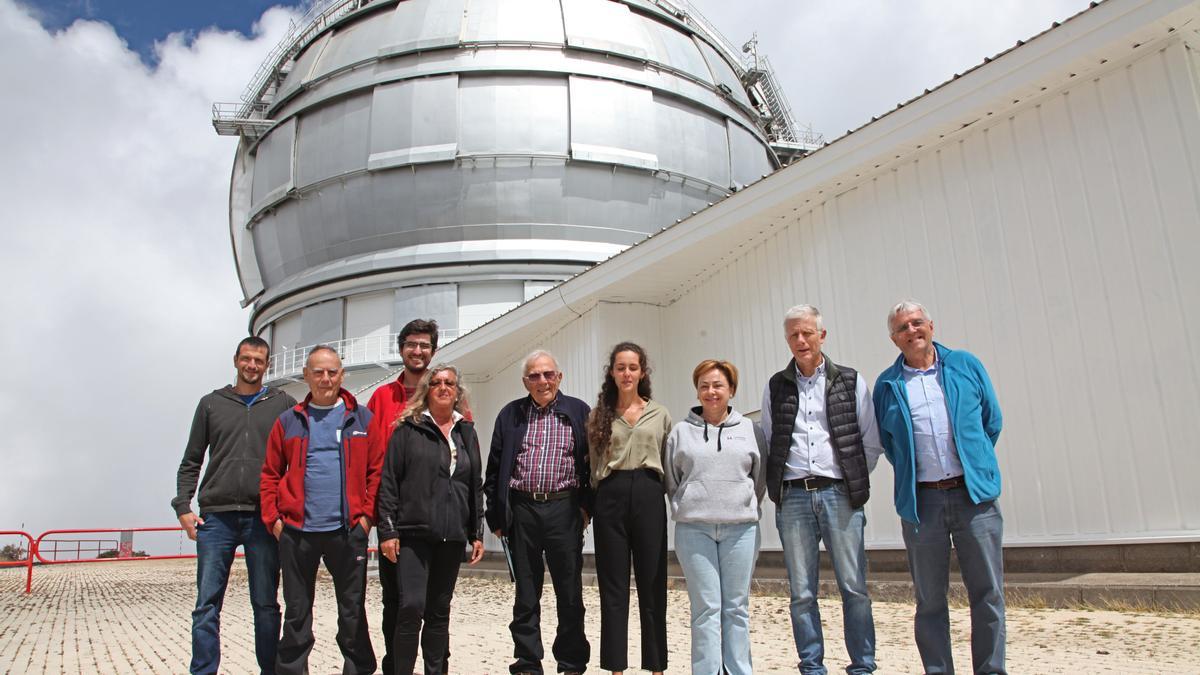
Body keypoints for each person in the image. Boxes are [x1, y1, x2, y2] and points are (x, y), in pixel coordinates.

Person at [873, 300, 1006, 675]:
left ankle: (991, 670)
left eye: (917, 323)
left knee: (988, 593)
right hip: (923, 503)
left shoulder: (965, 365)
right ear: (893, 339)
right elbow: (889, 443)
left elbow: (990, 421)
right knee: (930, 599)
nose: (912, 331)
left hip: (973, 497)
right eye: (903, 328)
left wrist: (974, 463)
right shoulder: (887, 384)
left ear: (931, 325)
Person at [760, 304, 883, 675]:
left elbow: (870, 442)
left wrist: (849, 480)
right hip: (794, 497)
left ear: (821, 336)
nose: (801, 340)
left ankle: (862, 665)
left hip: (839, 495)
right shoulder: (776, 386)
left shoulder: (850, 380)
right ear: (787, 339)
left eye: (807, 333)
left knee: (854, 587)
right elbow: (769, 441)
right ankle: (812, 666)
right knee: (801, 592)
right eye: (794, 334)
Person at [173, 336, 297, 675]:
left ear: (267, 365)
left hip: (263, 517)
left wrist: (285, 509)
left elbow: (295, 461)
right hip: (217, 518)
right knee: (206, 605)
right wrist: (183, 505)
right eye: (246, 359)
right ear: (235, 360)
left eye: (259, 360)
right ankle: (203, 671)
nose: (252, 365)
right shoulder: (211, 404)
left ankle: (270, 670)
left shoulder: (283, 403)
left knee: (266, 605)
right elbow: (192, 460)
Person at [260, 346, 380, 675]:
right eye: (318, 372)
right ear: (306, 375)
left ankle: (358, 670)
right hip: (298, 534)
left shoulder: (362, 419)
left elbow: (377, 472)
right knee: (297, 613)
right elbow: (270, 474)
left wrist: (366, 519)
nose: (325, 378)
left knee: (352, 611)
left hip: (347, 532)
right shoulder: (288, 421)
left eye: (332, 372)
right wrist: (274, 521)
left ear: (342, 375)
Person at [484, 350, 591, 675]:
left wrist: (586, 509)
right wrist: (497, 517)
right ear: (525, 381)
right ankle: (528, 661)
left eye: (548, 374)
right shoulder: (511, 414)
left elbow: (591, 463)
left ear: (559, 377)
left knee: (569, 592)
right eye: (534, 375)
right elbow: (494, 469)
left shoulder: (578, 411)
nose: (542, 381)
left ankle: (571, 662)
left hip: (564, 508)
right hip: (523, 511)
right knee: (526, 593)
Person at [375, 365, 485, 675]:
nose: (443, 387)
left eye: (449, 382)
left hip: (451, 536)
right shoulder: (408, 429)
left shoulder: (467, 431)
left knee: (439, 612)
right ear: (427, 389)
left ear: (457, 390)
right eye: (436, 382)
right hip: (413, 534)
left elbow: (474, 483)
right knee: (410, 607)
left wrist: (476, 531)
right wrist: (387, 530)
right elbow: (389, 482)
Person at [664, 359, 766, 675]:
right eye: (704, 385)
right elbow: (672, 480)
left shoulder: (751, 430)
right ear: (697, 390)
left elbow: (759, 479)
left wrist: (742, 505)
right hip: (694, 530)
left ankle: (738, 670)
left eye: (718, 385)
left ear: (731, 390)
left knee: (736, 608)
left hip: (741, 530)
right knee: (706, 608)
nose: (711, 392)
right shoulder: (679, 432)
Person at [587, 342, 670, 675]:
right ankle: (616, 667)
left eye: (632, 367)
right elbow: (594, 466)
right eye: (620, 367)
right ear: (612, 372)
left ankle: (656, 666)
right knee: (614, 586)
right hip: (610, 495)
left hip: (649, 494)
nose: (626, 373)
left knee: (652, 583)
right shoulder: (598, 416)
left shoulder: (659, 413)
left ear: (642, 372)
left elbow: (667, 458)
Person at [366, 318, 440, 674]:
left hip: (436, 516)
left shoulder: (442, 393)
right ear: (401, 349)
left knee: (435, 604)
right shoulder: (382, 398)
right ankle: (395, 666)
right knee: (395, 600)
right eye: (411, 344)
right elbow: (370, 456)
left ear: (433, 351)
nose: (417, 351)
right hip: (394, 515)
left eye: (424, 345)